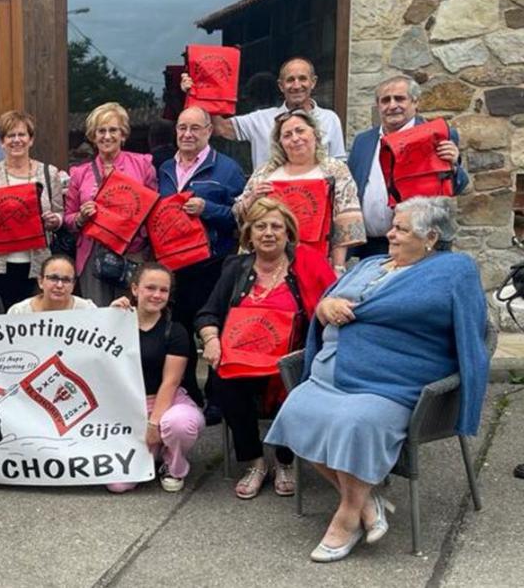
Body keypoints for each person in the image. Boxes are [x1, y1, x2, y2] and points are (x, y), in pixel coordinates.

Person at [266, 197, 489, 562]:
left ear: (431, 237)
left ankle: (347, 518)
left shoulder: (454, 269)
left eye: (401, 229)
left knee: (357, 423)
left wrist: (468, 392)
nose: (390, 233)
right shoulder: (369, 264)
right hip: (332, 373)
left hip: (394, 380)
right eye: (393, 225)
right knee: (294, 414)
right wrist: (325, 307)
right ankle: (368, 501)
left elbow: (471, 330)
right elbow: (324, 302)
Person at [196, 197, 335, 500]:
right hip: (242, 358)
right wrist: (211, 339)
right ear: (249, 234)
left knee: (294, 379)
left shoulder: (306, 265)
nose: (268, 232)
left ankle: (285, 460)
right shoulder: (236, 268)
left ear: (288, 233)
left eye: (276, 226)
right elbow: (207, 313)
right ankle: (255, 461)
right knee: (223, 382)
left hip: (293, 358)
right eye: (260, 226)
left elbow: (326, 313)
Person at [157, 106, 246, 411]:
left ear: (209, 131)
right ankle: (189, 394)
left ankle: (217, 397)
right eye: (182, 128)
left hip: (214, 263)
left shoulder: (228, 168)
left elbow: (242, 219)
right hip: (174, 265)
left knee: (214, 329)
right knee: (179, 331)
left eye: (195, 128)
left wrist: (208, 208)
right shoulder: (165, 168)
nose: (188, 134)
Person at [104, 263, 205, 494]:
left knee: (180, 425)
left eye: (163, 290)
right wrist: (106, 318)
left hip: (166, 401)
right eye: (150, 288)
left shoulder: (175, 331)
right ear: (135, 289)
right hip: (128, 406)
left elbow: (170, 382)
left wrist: (154, 423)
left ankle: (174, 464)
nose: (157, 295)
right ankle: (154, 452)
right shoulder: (115, 322)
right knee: (118, 485)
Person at [347, 75, 469, 259]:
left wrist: (453, 166)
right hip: (371, 246)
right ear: (378, 105)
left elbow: (458, 186)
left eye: (400, 98)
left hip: (418, 244)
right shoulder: (363, 141)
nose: (392, 105)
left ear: (415, 102)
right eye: (385, 100)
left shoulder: (436, 135)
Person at [234, 109, 365, 272]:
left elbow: (345, 221)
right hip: (264, 263)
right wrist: (252, 198)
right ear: (280, 142)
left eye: (300, 131)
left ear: (315, 134)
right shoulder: (266, 172)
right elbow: (238, 215)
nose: (295, 138)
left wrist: (337, 266)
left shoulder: (334, 170)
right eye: (287, 135)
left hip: (317, 261)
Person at [64, 102, 158, 305]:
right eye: (101, 131)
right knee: (97, 317)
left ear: (123, 134)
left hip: (131, 253)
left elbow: (154, 210)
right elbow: (68, 218)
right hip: (92, 254)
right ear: (93, 136)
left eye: (113, 130)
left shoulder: (143, 165)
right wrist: (80, 217)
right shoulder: (79, 173)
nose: (107, 136)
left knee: (129, 315)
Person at [0, 111, 65, 309]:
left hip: (38, 262)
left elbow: (60, 212)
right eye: (10, 136)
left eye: (22, 135)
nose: (16, 140)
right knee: (3, 315)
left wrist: (54, 220)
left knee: (36, 316)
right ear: (2, 142)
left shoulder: (49, 173)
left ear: (31, 140)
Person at [181, 57, 346, 169]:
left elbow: (339, 166)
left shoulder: (330, 119)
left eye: (302, 79)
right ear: (281, 86)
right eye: (290, 80)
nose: (296, 85)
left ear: (313, 82)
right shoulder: (261, 119)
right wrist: (198, 90)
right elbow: (221, 128)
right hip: (270, 210)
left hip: (315, 207)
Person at [6, 255, 97, 313]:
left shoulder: (87, 310)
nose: (59, 285)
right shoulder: (19, 312)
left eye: (66, 280)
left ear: (73, 284)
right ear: (40, 281)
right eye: (53, 278)